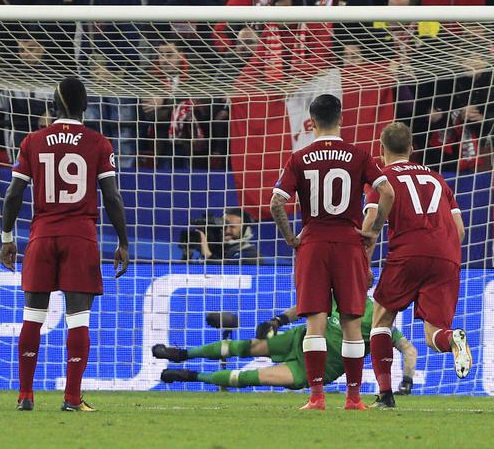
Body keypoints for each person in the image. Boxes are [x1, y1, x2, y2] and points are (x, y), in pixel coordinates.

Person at [0, 77, 129, 412]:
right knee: (78, 320)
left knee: (32, 316)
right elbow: (112, 196)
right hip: (80, 237)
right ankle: (72, 399)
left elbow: (14, 194)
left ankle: (25, 395)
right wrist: (124, 242)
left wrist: (7, 238)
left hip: (41, 235)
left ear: (52, 108)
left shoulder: (32, 141)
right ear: (85, 106)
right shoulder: (99, 143)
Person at [269, 93, 394, 411]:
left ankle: (316, 397)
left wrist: (291, 238)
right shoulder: (359, 155)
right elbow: (387, 192)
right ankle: (353, 398)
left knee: (316, 322)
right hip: (349, 242)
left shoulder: (299, 157)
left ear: (311, 121)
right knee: (353, 321)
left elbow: (276, 203)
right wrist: (373, 229)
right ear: (340, 118)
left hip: (313, 243)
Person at [362, 122, 471, 408]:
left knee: (381, 320)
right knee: (435, 336)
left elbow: (372, 228)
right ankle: (454, 339)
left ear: (381, 149)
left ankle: (385, 395)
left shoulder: (381, 179)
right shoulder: (437, 179)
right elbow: (459, 231)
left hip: (408, 253)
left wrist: (363, 265)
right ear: (412, 149)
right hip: (447, 256)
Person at [156, 298, 417, 392]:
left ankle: (191, 376)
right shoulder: (338, 296)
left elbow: (409, 349)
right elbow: (306, 307)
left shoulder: (378, 320)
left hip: (314, 369)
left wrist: (406, 378)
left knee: (252, 377)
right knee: (246, 347)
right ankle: (182, 354)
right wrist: (277, 320)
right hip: (298, 339)